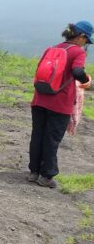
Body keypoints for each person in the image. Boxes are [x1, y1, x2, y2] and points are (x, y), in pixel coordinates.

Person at [29, 21, 92, 188]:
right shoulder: (77, 51)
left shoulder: (53, 48)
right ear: (81, 36)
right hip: (60, 103)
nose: (85, 45)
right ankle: (47, 176)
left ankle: (34, 172)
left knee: (38, 135)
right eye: (86, 41)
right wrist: (88, 82)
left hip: (39, 99)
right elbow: (78, 72)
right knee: (52, 139)